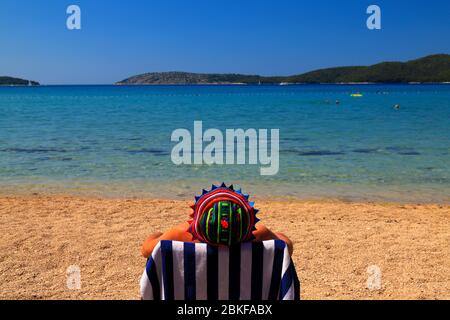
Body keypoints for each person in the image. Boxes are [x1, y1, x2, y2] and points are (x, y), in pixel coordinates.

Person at [141, 184, 293, 258]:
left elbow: (146, 250)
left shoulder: (182, 235)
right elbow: (286, 246)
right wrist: (269, 232)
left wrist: (158, 234)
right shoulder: (258, 234)